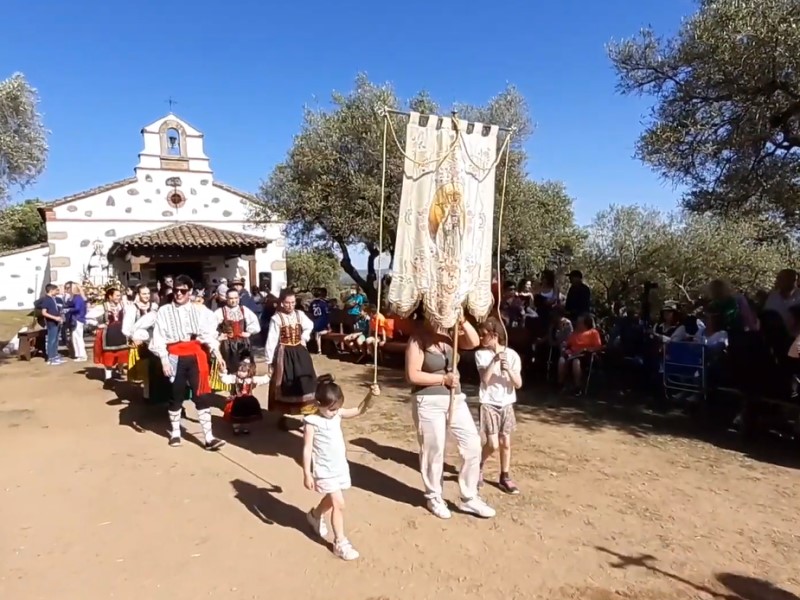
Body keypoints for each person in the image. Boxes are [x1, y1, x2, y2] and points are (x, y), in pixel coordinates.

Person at [404, 310, 495, 520]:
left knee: (472, 443)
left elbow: (473, 342)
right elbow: (412, 375)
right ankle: (434, 496)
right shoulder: (418, 339)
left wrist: (462, 319)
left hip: (455, 399)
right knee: (433, 449)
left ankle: (469, 497)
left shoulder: (450, 335)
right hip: (427, 401)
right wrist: (443, 380)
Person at [303, 375, 380, 561]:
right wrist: (307, 473)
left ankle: (314, 515)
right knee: (339, 503)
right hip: (324, 470)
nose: (335, 412)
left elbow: (359, 410)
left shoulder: (337, 414)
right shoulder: (312, 422)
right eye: (331, 409)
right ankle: (340, 542)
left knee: (332, 499)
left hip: (339, 467)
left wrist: (371, 396)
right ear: (319, 404)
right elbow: (306, 449)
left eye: (337, 408)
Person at [150, 275, 226, 450]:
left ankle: (209, 437)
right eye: (176, 290)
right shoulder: (164, 311)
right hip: (174, 354)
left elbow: (208, 334)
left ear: (190, 292)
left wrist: (218, 354)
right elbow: (159, 337)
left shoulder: (200, 310)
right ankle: (176, 432)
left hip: (196, 354)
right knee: (176, 395)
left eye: (183, 291)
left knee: (201, 395)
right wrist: (163, 360)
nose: (178, 294)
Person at [475, 317, 523, 495]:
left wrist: (508, 369)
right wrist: (494, 361)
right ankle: (478, 465)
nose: (481, 338)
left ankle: (505, 476)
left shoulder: (512, 355)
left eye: (484, 335)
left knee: (506, 442)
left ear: (494, 335)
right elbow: (484, 380)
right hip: (488, 402)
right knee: (493, 443)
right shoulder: (481, 354)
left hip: (507, 403)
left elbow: (518, 384)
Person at [265, 289, 317, 430]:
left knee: (305, 382)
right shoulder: (277, 319)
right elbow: (271, 340)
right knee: (285, 384)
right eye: (287, 303)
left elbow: (309, 326)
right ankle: (283, 416)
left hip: (300, 352)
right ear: (282, 303)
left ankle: (308, 417)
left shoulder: (300, 315)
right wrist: (269, 361)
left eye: (293, 302)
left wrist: (304, 337)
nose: (290, 305)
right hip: (285, 353)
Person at [214, 288, 260, 376]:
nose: (233, 301)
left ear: (239, 298)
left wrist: (249, 332)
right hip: (228, 345)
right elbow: (210, 327)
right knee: (231, 369)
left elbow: (255, 323)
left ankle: (245, 387)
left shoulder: (244, 310)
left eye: (235, 298)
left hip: (244, 344)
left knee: (246, 368)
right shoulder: (221, 312)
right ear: (226, 298)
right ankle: (233, 388)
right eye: (231, 298)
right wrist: (219, 335)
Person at [220, 355, 268, 435]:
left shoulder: (251, 379)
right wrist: (222, 372)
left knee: (247, 415)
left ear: (249, 372)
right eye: (239, 371)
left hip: (248, 401)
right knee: (235, 415)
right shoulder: (234, 378)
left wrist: (269, 375)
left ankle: (245, 428)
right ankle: (236, 428)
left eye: (244, 371)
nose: (241, 373)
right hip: (236, 401)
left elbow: (263, 380)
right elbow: (225, 379)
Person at [93, 287, 130, 386]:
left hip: (121, 333)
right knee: (108, 355)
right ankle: (108, 378)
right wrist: (98, 324)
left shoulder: (123, 305)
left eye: (120, 295)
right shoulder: (102, 307)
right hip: (109, 334)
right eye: (117, 295)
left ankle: (119, 370)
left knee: (123, 354)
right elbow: (88, 316)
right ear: (110, 296)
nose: (119, 297)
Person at [558, 313, 603, 394]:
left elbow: (598, 347)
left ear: (585, 324)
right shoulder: (574, 333)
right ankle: (560, 384)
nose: (577, 324)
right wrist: (565, 347)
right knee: (561, 360)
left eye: (579, 322)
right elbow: (568, 344)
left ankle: (577, 387)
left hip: (585, 355)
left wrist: (585, 349)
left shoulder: (593, 332)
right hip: (572, 354)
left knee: (576, 362)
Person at [39, 284, 63, 365]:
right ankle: (50, 358)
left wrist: (59, 318)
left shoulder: (53, 299)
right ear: (51, 290)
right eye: (56, 290)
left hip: (57, 321)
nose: (57, 292)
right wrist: (54, 318)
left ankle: (55, 355)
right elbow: (44, 313)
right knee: (51, 340)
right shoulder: (46, 300)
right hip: (51, 322)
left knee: (56, 340)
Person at [65, 282, 88, 361]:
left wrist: (68, 310)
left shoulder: (78, 298)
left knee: (78, 337)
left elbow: (77, 308)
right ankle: (79, 354)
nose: (67, 290)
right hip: (76, 319)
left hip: (78, 319)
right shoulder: (75, 298)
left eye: (68, 288)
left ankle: (82, 355)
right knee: (75, 337)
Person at [309, 288, 331, 355]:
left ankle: (319, 350)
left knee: (317, 333)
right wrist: (328, 326)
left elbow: (311, 312)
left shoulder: (313, 303)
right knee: (318, 333)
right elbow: (327, 315)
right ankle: (319, 350)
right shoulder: (324, 303)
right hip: (322, 322)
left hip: (316, 322)